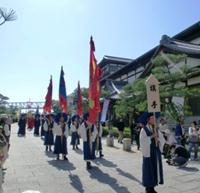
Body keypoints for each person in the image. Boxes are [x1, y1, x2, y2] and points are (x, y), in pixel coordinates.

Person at [140, 112, 165, 193]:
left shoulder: (155, 128)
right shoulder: (144, 129)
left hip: (155, 152)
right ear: (148, 120)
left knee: (155, 168)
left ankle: (152, 187)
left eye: (154, 118)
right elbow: (143, 141)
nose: (154, 120)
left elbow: (162, 139)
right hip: (148, 152)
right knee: (148, 169)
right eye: (152, 118)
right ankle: (148, 188)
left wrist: (159, 138)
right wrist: (152, 136)